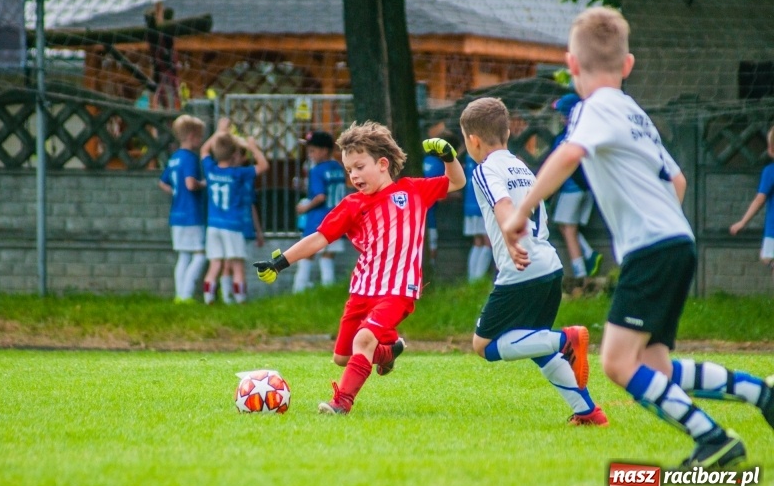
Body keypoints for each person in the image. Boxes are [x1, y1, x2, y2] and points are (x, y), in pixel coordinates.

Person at [502, 7, 774, 468]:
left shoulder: (595, 108)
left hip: (652, 248)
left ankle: (714, 440)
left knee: (617, 362)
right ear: (627, 66)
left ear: (572, 65)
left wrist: (522, 212)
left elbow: (570, 153)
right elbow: (679, 180)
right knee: (656, 368)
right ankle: (760, 393)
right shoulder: (633, 112)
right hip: (675, 242)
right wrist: (659, 217)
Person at [253, 120, 466, 415]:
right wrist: (279, 262)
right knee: (343, 356)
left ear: (382, 164)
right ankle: (389, 351)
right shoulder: (353, 204)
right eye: (349, 169)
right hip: (362, 290)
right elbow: (318, 238)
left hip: (398, 290)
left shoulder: (413, 191)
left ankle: (341, 403)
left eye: (359, 166)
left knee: (363, 340)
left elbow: (456, 182)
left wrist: (448, 157)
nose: (353, 175)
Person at [460, 97, 607, 426]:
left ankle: (565, 338)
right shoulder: (520, 165)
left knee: (484, 345)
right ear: (509, 133)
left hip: (521, 267)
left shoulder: (485, 169)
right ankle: (588, 412)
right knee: (534, 343)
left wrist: (511, 243)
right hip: (550, 265)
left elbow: (502, 205)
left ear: (473, 141)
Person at [200, 118, 269, 304]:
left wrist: (218, 132)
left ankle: (208, 299)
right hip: (233, 226)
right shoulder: (238, 173)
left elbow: (203, 151)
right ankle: (240, 300)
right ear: (234, 156)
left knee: (215, 264)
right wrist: (253, 147)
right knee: (237, 265)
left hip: (213, 225)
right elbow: (263, 166)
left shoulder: (210, 169)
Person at [549, 93, 603, 279]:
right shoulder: (587, 134)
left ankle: (580, 273)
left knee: (569, 229)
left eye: (563, 114)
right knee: (564, 226)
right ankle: (589, 254)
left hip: (572, 188)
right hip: (588, 188)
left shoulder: (564, 138)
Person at [158, 114, 207, 302]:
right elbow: (190, 184)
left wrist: (175, 193)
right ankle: (186, 295)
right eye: (200, 136)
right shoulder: (190, 158)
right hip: (191, 215)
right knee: (200, 255)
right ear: (192, 136)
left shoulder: (174, 158)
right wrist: (203, 183)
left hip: (176, 215)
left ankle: (179, 295)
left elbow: (162, 183)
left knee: (183, 256)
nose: (201, 140)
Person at [292, 131, 348, 293]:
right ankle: (328, 290)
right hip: (336, 220)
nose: (310, 155)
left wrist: (304, 208)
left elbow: (320, 196)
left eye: (312, 151)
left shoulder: (316, 170)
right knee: (328, 256)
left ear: (324, 151)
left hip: (318, 221)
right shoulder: (338, 167)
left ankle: (298, 289)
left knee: (306, 255)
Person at [729, 125, 774, 276]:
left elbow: (759, 199)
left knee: (768, 258)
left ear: (770, 149)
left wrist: (743, 222)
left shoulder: (770, 171)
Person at [459, 139, 492, 281]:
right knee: (488, 241)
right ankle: (477, 279)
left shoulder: (468, 155)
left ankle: (472, 278)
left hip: (469, 204)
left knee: (477, 241)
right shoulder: (485, 157)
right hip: (481, 205)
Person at [422, 133, 447, 268]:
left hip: (413, 217)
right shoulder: (439, 165)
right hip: (430, 217)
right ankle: (430, 273)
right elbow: (441, 196)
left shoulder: (419, 162)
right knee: (431, 246)